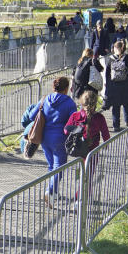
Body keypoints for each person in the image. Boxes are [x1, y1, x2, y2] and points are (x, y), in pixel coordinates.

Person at [39, 77, 78, 208]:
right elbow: (74, 121)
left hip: (44, 138)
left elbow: (34, 115)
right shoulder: (69, 103)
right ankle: (49, 191)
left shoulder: (45, 99)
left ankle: (54, 192)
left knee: (52, 167)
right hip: (60, 139)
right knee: (59, 168)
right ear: (66, 88)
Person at [104, 39, 128, 132]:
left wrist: (108, 85)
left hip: (114, 86)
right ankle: (127, 121)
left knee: (116, 106)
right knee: (126, 104)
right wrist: (127, 73)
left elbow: (107, 74)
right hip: (126, 85)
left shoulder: (111, 59)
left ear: (115, 48)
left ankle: (116, 125)